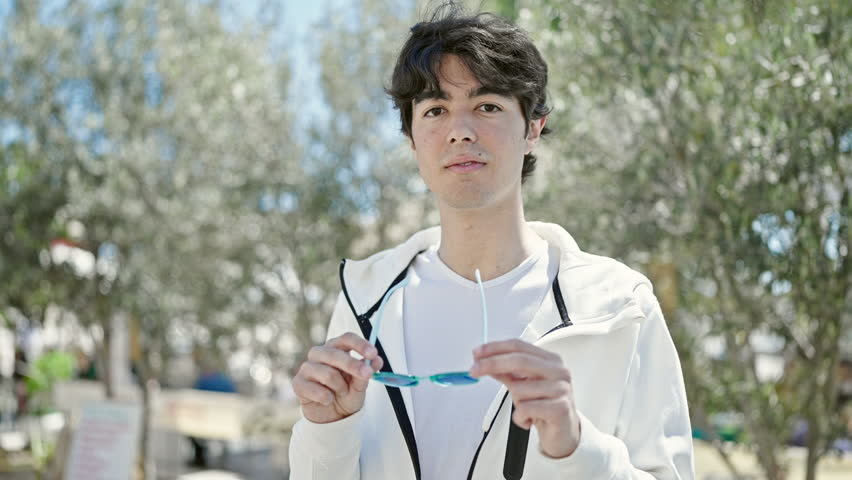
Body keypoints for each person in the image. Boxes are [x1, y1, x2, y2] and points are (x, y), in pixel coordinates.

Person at [288, 4, 694, 479]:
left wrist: (577, 447)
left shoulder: (620, 307)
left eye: (488, 107)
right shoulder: (364, 302)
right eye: (436, 110)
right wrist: (325, 429)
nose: (460, 131)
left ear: (533, 128)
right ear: (411, 140)